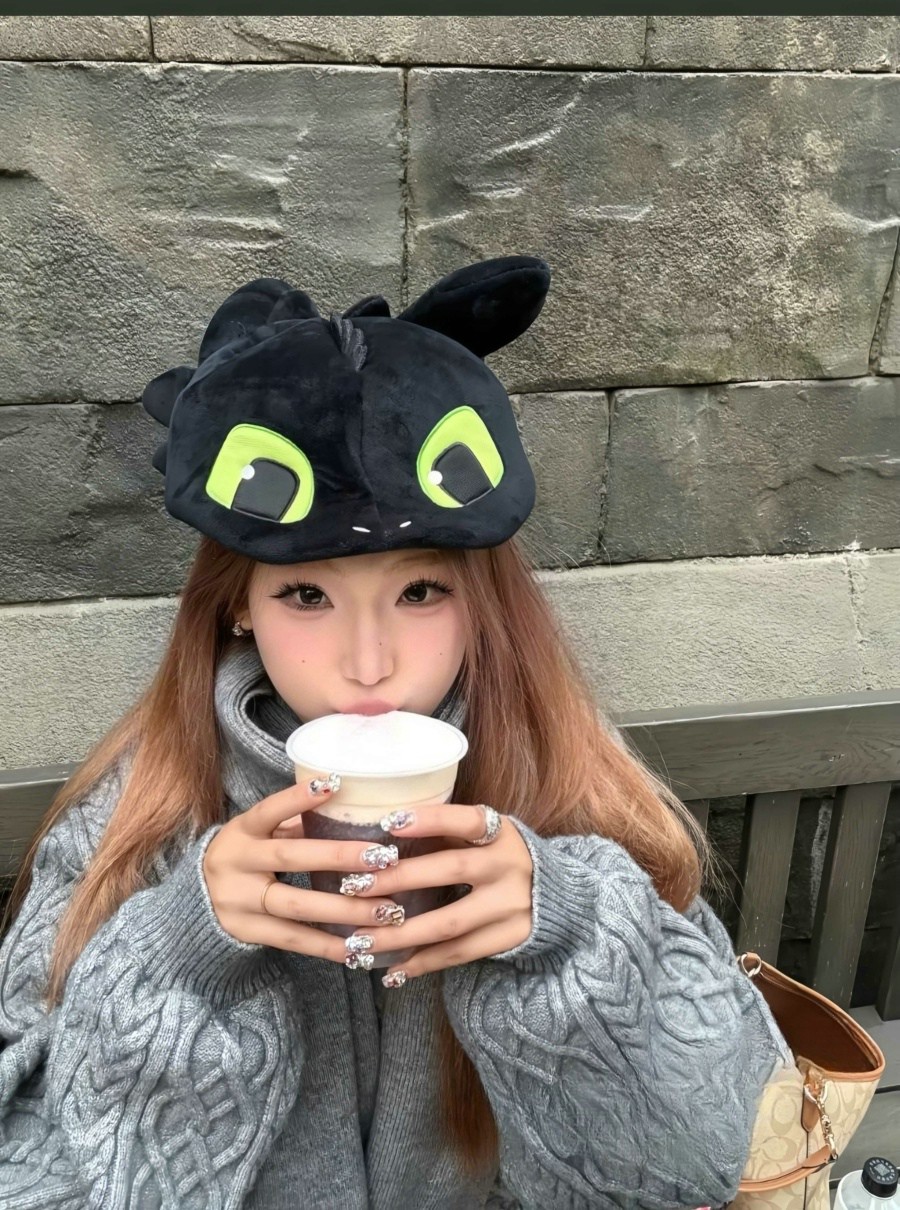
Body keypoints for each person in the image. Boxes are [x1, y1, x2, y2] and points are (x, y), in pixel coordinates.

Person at [0, 258, 794, 1209]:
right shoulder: (136, 816)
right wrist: (177, 955)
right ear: (239, 606)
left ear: (480, 601)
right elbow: (28, 1162)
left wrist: (572, 938)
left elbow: (700, 1157)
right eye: (306, 595)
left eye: (420, 591)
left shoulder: (568, 785)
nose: (368, 663)